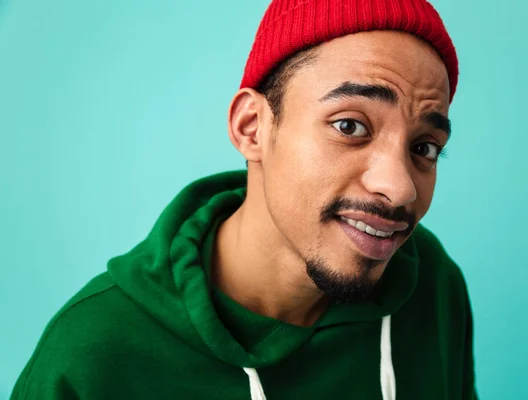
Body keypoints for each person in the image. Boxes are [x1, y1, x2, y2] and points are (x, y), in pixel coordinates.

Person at [11, 0, 477, 399]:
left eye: (424, 148)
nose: (400, 189)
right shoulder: (92, 358)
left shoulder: (431, 284)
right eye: (350, 126)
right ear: (252, 127)